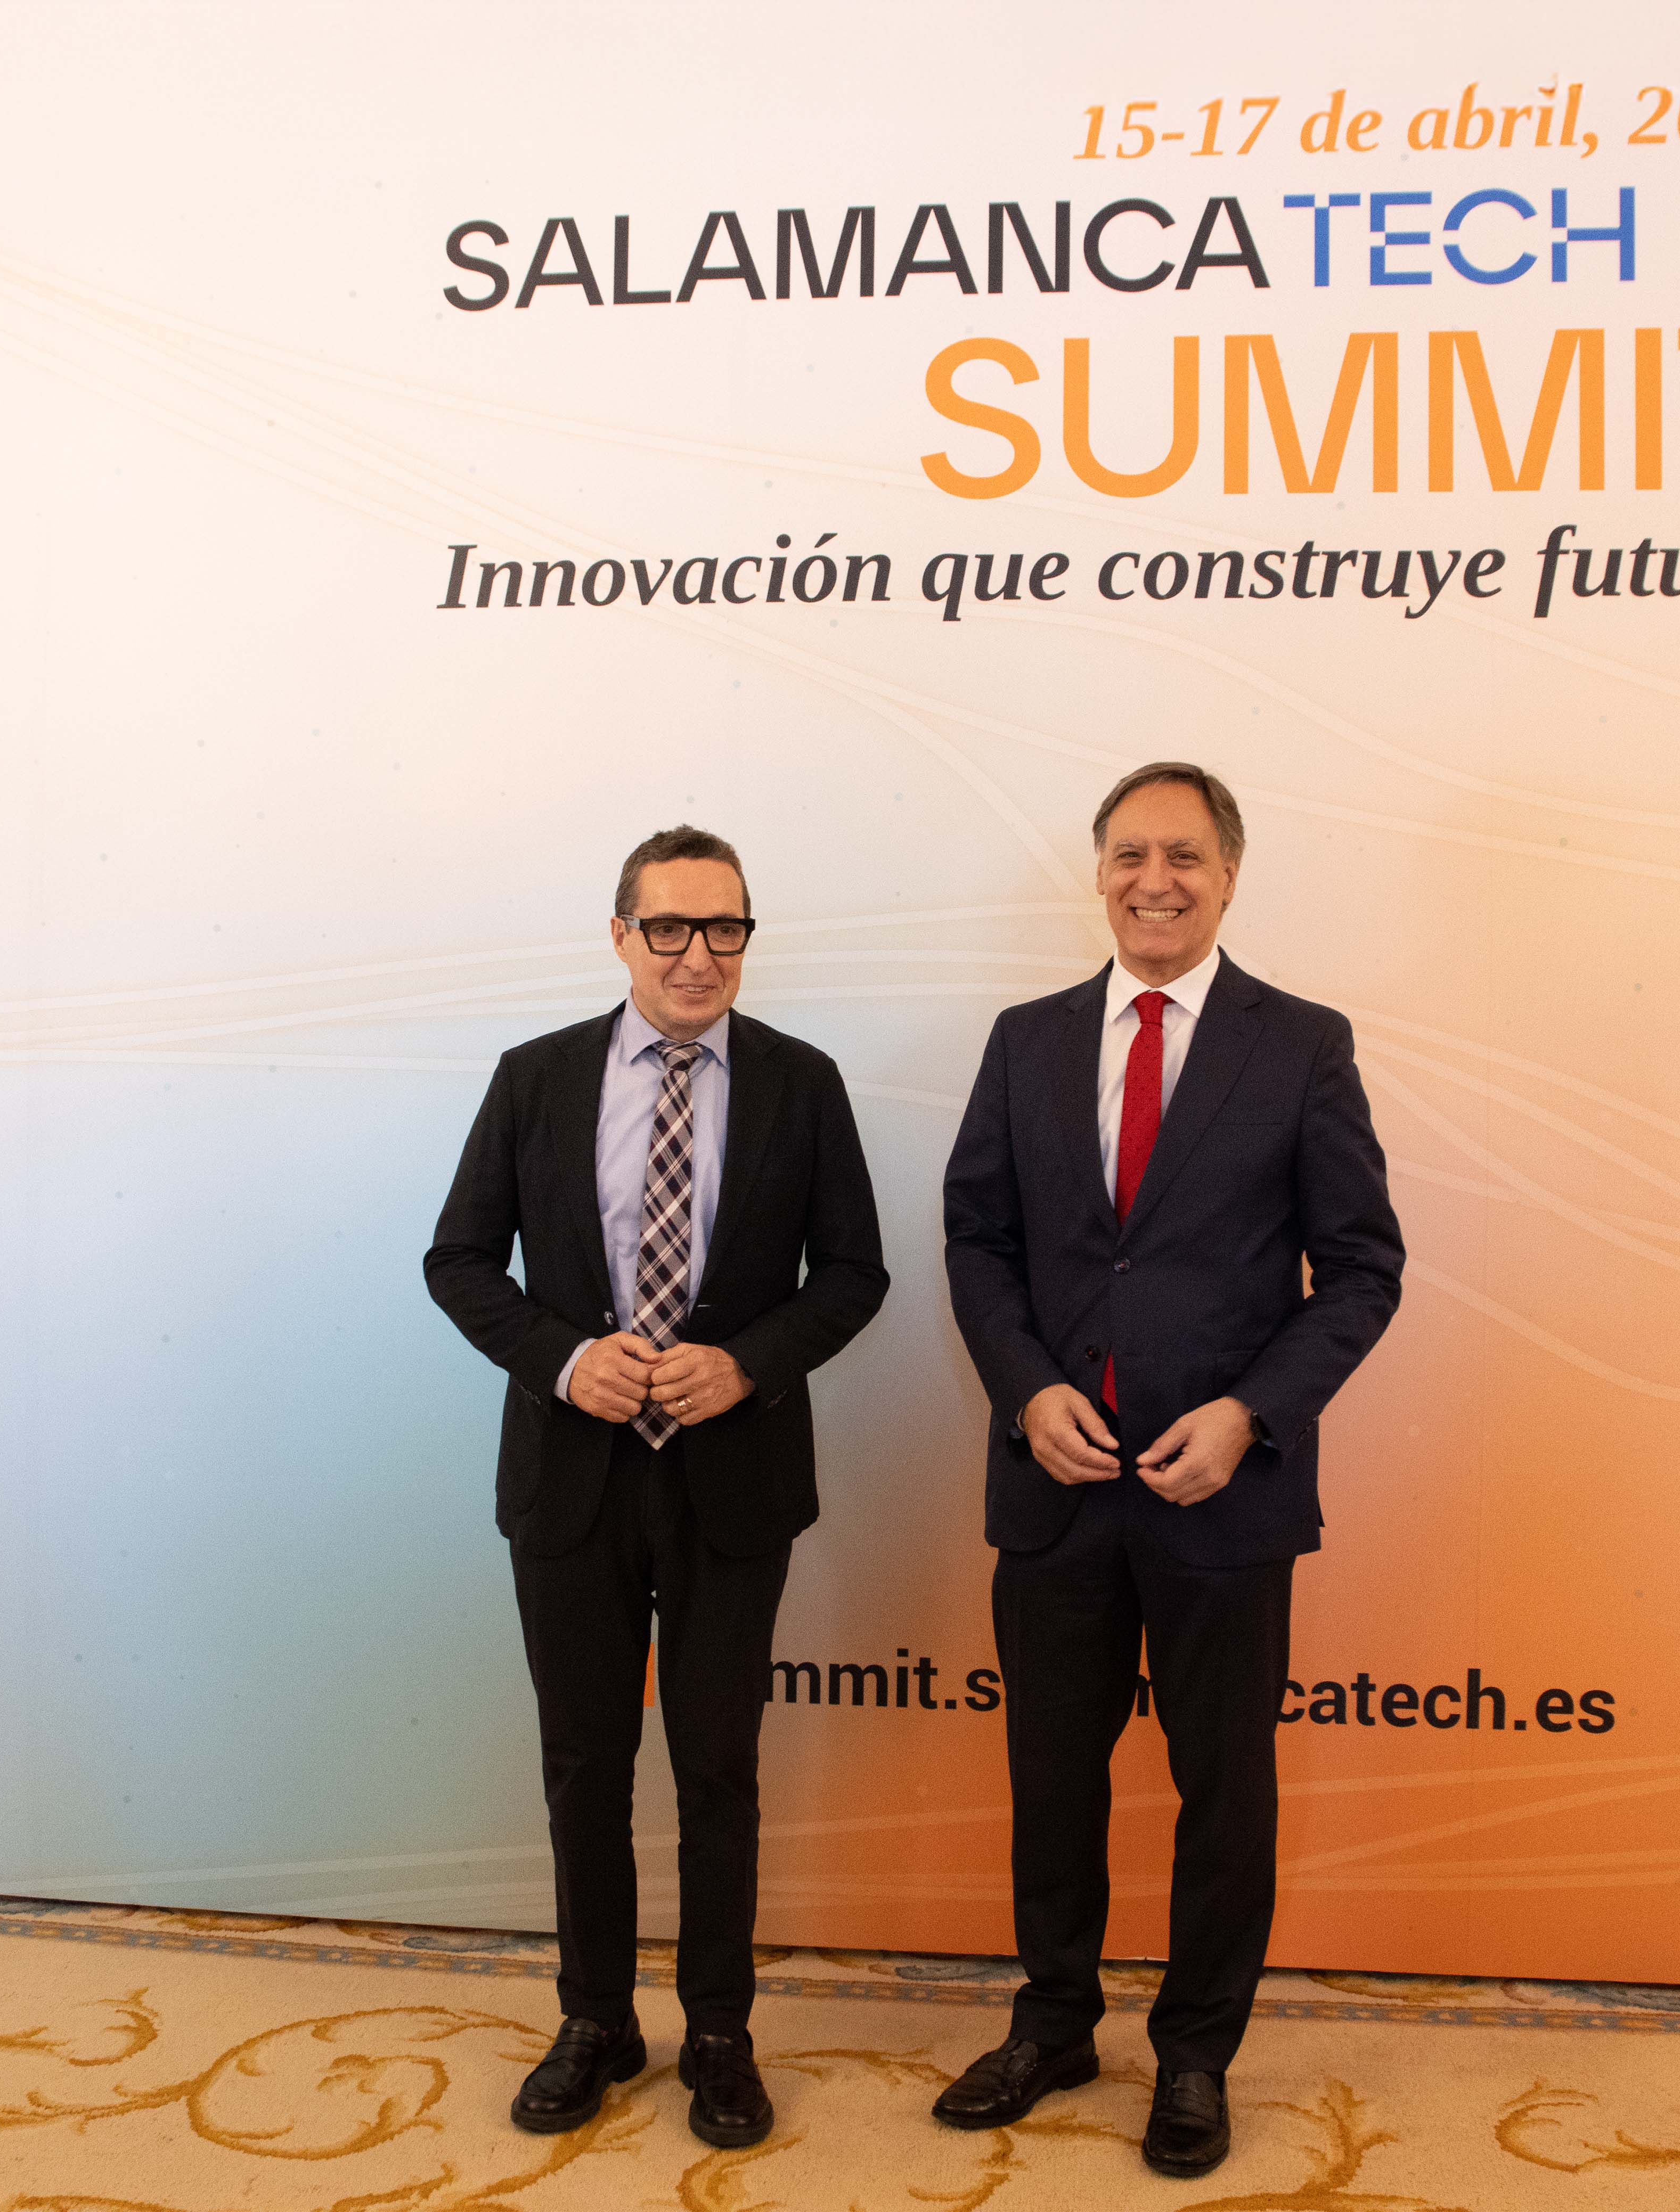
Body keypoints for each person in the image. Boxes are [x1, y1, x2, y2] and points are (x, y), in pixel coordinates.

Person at [930, 763, 1405, 2177]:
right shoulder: (1025, 1040)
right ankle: (1054, 2024)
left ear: (1229, 875)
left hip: (1223, 1497)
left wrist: (1253, 1413)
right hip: (1057, 1486)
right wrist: (1028, 1390)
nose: (1157, 880)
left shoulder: (1302, 1044)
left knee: (1225, 1790)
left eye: (1185, 856)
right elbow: (977, 1241)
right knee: (1051, 1777)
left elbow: (1361, 1269)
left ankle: (1196, 2054)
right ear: (1099, 873)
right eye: (1132, 853)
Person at [425, 824, 887, 2149]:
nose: (698, 955)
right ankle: (596, 2020)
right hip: (570, 1481)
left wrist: (747, 1365)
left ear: (746, 937)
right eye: (670, 928)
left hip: (732, 1482)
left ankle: (720, 2031)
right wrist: (567, 1361)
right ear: (621, 935)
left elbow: (853, 1274)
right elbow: (460, 1262)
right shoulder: (535, 1077)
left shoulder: (803, 1082)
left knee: (718, 1766)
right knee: (585, 1764)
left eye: (724, 928)